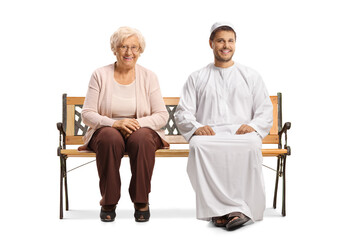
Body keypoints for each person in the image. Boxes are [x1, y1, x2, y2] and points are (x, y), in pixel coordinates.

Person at [174, 22, 273, 231]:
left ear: (235, 44)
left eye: (230, 41)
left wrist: (253, 126)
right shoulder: (197, 77)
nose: (225, 45)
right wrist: (195, 127)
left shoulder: (251, 76)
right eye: (220, 40)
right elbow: (183, 112)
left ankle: (242, 209)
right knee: (198, 145)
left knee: (252, 144)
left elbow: (265, 110)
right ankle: (216, 209)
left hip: (241, 133)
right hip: (210, 134)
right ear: (211, 43)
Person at [79, 26, 169, 222]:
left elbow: (162, 115)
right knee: (110, 137)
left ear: (140, 51)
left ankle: (141, 200)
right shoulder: (99, 75)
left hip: (140, 130)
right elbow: (87, 114)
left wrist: (135, 123)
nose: (129, 52)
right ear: (114, 49)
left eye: (134, 47)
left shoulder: (149, 76)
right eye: (123, 47)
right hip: (108, 131)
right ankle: (109, 201)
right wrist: (114, 124)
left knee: (143, 138)